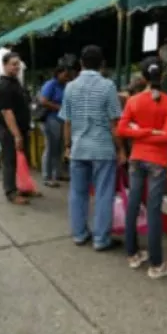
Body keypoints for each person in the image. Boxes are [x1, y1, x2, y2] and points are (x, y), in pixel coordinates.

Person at [60, 45, 126, 251]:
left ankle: (79, 234)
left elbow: (67, 122)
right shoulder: (108, 86)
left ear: (81, 63)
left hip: (79, 148)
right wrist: (122, 150)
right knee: (103, 193)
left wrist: (67, 146)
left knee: (77, 193)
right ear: (102, 65)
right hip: (102, 148)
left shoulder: (70, 87)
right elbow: (115, 123)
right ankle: (101, 239)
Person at [117, 57, 167, 279]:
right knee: (153, 211)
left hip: (136, 158)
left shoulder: (133, 101)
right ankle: (156, 264)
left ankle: (132, 254)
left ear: (143, 77)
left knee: (133, 204)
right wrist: (154, 132)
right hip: (158, 162)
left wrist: (141, 131)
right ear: (162, 76)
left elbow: (122, 130)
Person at [0, 52, 33, 205]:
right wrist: (16, 135)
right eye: (13, 64)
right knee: (10, 160)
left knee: (22, 159)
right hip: (9, 129)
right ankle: (10, 192)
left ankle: (24, 187)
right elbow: (7, 112)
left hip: (21, 127)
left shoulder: (15, 82)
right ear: (4, 65)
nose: (16, 67)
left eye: (18, 64)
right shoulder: (4, 85)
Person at [39, 65, 69, 187]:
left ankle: (57, 173)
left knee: (59, 147)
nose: (67, 77)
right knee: (50, 147)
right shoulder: (51, 84)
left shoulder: (64, 86)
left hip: (61, 119)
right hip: (51, 119)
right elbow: (43, 101)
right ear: (58, 74)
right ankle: (47, 176)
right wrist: (59, 108)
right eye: (65, 75)